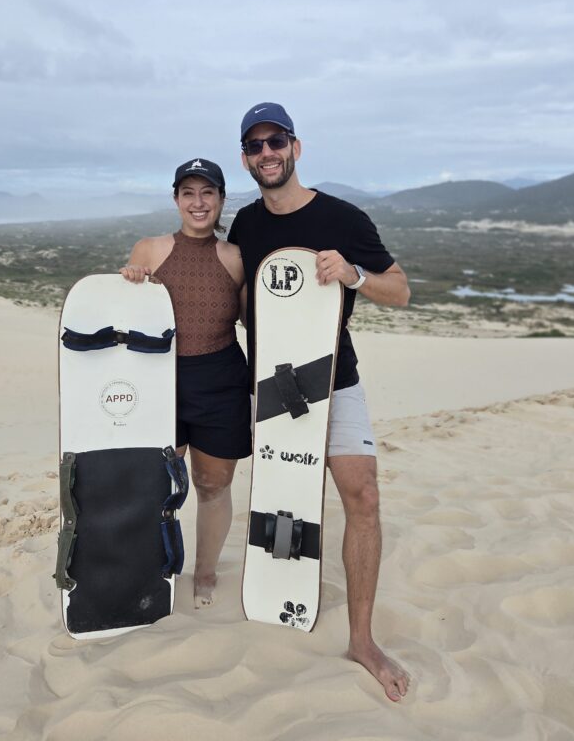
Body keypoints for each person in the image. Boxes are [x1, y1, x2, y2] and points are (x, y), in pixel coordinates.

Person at [227, 103, 412, 702]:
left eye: (275, 141)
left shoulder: (342, 217)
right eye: (254, 146)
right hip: (272, 387)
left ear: (296, 147)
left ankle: (362, 639)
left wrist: (354, 273)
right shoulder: (247, 228)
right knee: (281, 497)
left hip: (336, 377)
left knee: (363, 495)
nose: (266, 154)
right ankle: (277, 599)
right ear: (246, 159)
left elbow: (401, 291)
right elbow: (230, 300)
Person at [120, 158, 251, 608]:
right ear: (176, 199)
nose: (199, 202)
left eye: (208, 193)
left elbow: (255, 321)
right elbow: (123, 318)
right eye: (189, 193)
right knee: (159, 487)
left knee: (213, 483)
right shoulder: (149, 249)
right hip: (161, 382)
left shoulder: (235, 257)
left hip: (220, 381)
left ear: (220, 199)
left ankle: (207, 571)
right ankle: (156, 568)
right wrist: (132, 282)